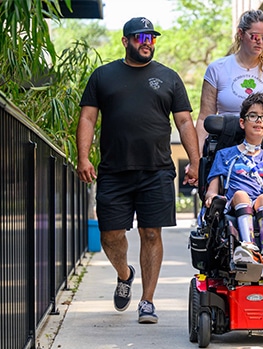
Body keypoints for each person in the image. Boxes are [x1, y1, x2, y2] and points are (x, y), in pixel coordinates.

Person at [76, 17, 199, 324]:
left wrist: (195, 161)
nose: (147, 42)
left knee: (151, 233)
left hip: (156, 169)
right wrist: (83, 157)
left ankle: (147, 301)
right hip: (114, 170)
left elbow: (184, 121)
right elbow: (88, 118)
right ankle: (124, 274)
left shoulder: (169, 78)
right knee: (111, 234)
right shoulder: (103, 76)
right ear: (125, 41)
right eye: (140, 37)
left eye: (151, 38)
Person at [196, 9, 263, 173]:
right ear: (241, 33)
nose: (260, 42)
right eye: (255, 36)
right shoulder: (218, 69)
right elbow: (203, 118)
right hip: (226, 144)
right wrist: (197, 158)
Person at [204, 92, 263, 266]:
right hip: (233, 204)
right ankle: (248, 246)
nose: (259, 120)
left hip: (261, 203)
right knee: (241, 194)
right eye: (253, 116)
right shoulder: (224, 155)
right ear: (242, 122)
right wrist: (211, 198)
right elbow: (212, 191)